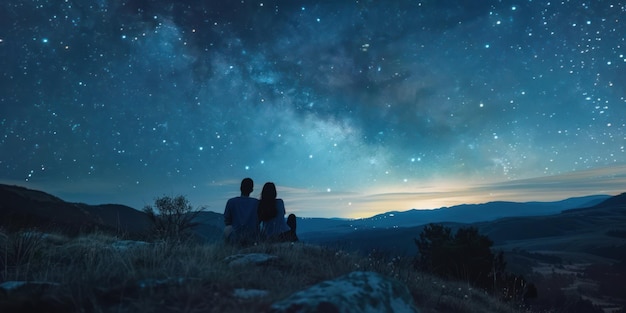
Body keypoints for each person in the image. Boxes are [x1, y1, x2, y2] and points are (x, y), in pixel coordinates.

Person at [223, 178, 259, 245]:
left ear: (240, 188)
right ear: (251, 190)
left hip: (235, 237)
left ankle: (227, 248)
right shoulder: (256, 203)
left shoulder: (231, 202)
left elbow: (227, 220)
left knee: (227, 229)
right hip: (252, 237)